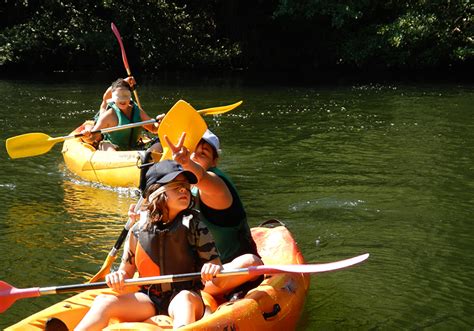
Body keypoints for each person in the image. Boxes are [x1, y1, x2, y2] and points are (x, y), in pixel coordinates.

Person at [75, 160, 222, 331]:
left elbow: (215, 264)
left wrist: (212, 268)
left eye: (186, 186)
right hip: (150, 298)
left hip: (186, 295)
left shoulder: (195, 227)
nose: (184, 190)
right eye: (176, 186)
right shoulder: (138, 230)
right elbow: (126, 271)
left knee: (184, 300)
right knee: (104, 302)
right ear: (155, 193)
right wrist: (117, 276)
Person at [164, 129, 264, 301]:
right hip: (200, 272)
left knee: (250, 261)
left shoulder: (216, 185)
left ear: (214, 161)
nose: (194, 156)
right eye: (191, 151)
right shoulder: (180, 189)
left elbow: (201, 177)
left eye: (202, 153)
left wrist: (186, 163)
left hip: (230, 272)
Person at [80, 77, 163, 152]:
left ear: (130, 96)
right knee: (106, 145)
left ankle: (148, 156)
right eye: (119, 96)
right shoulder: (109, 115)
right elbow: (93, 138)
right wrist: (85, 136)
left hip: (136, 147)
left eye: (125, 96)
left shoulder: (137, 111)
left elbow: (153, 128)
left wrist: (160, 122)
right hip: (113, 148)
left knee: (160, 142)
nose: (122, 100)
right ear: (113, 98)